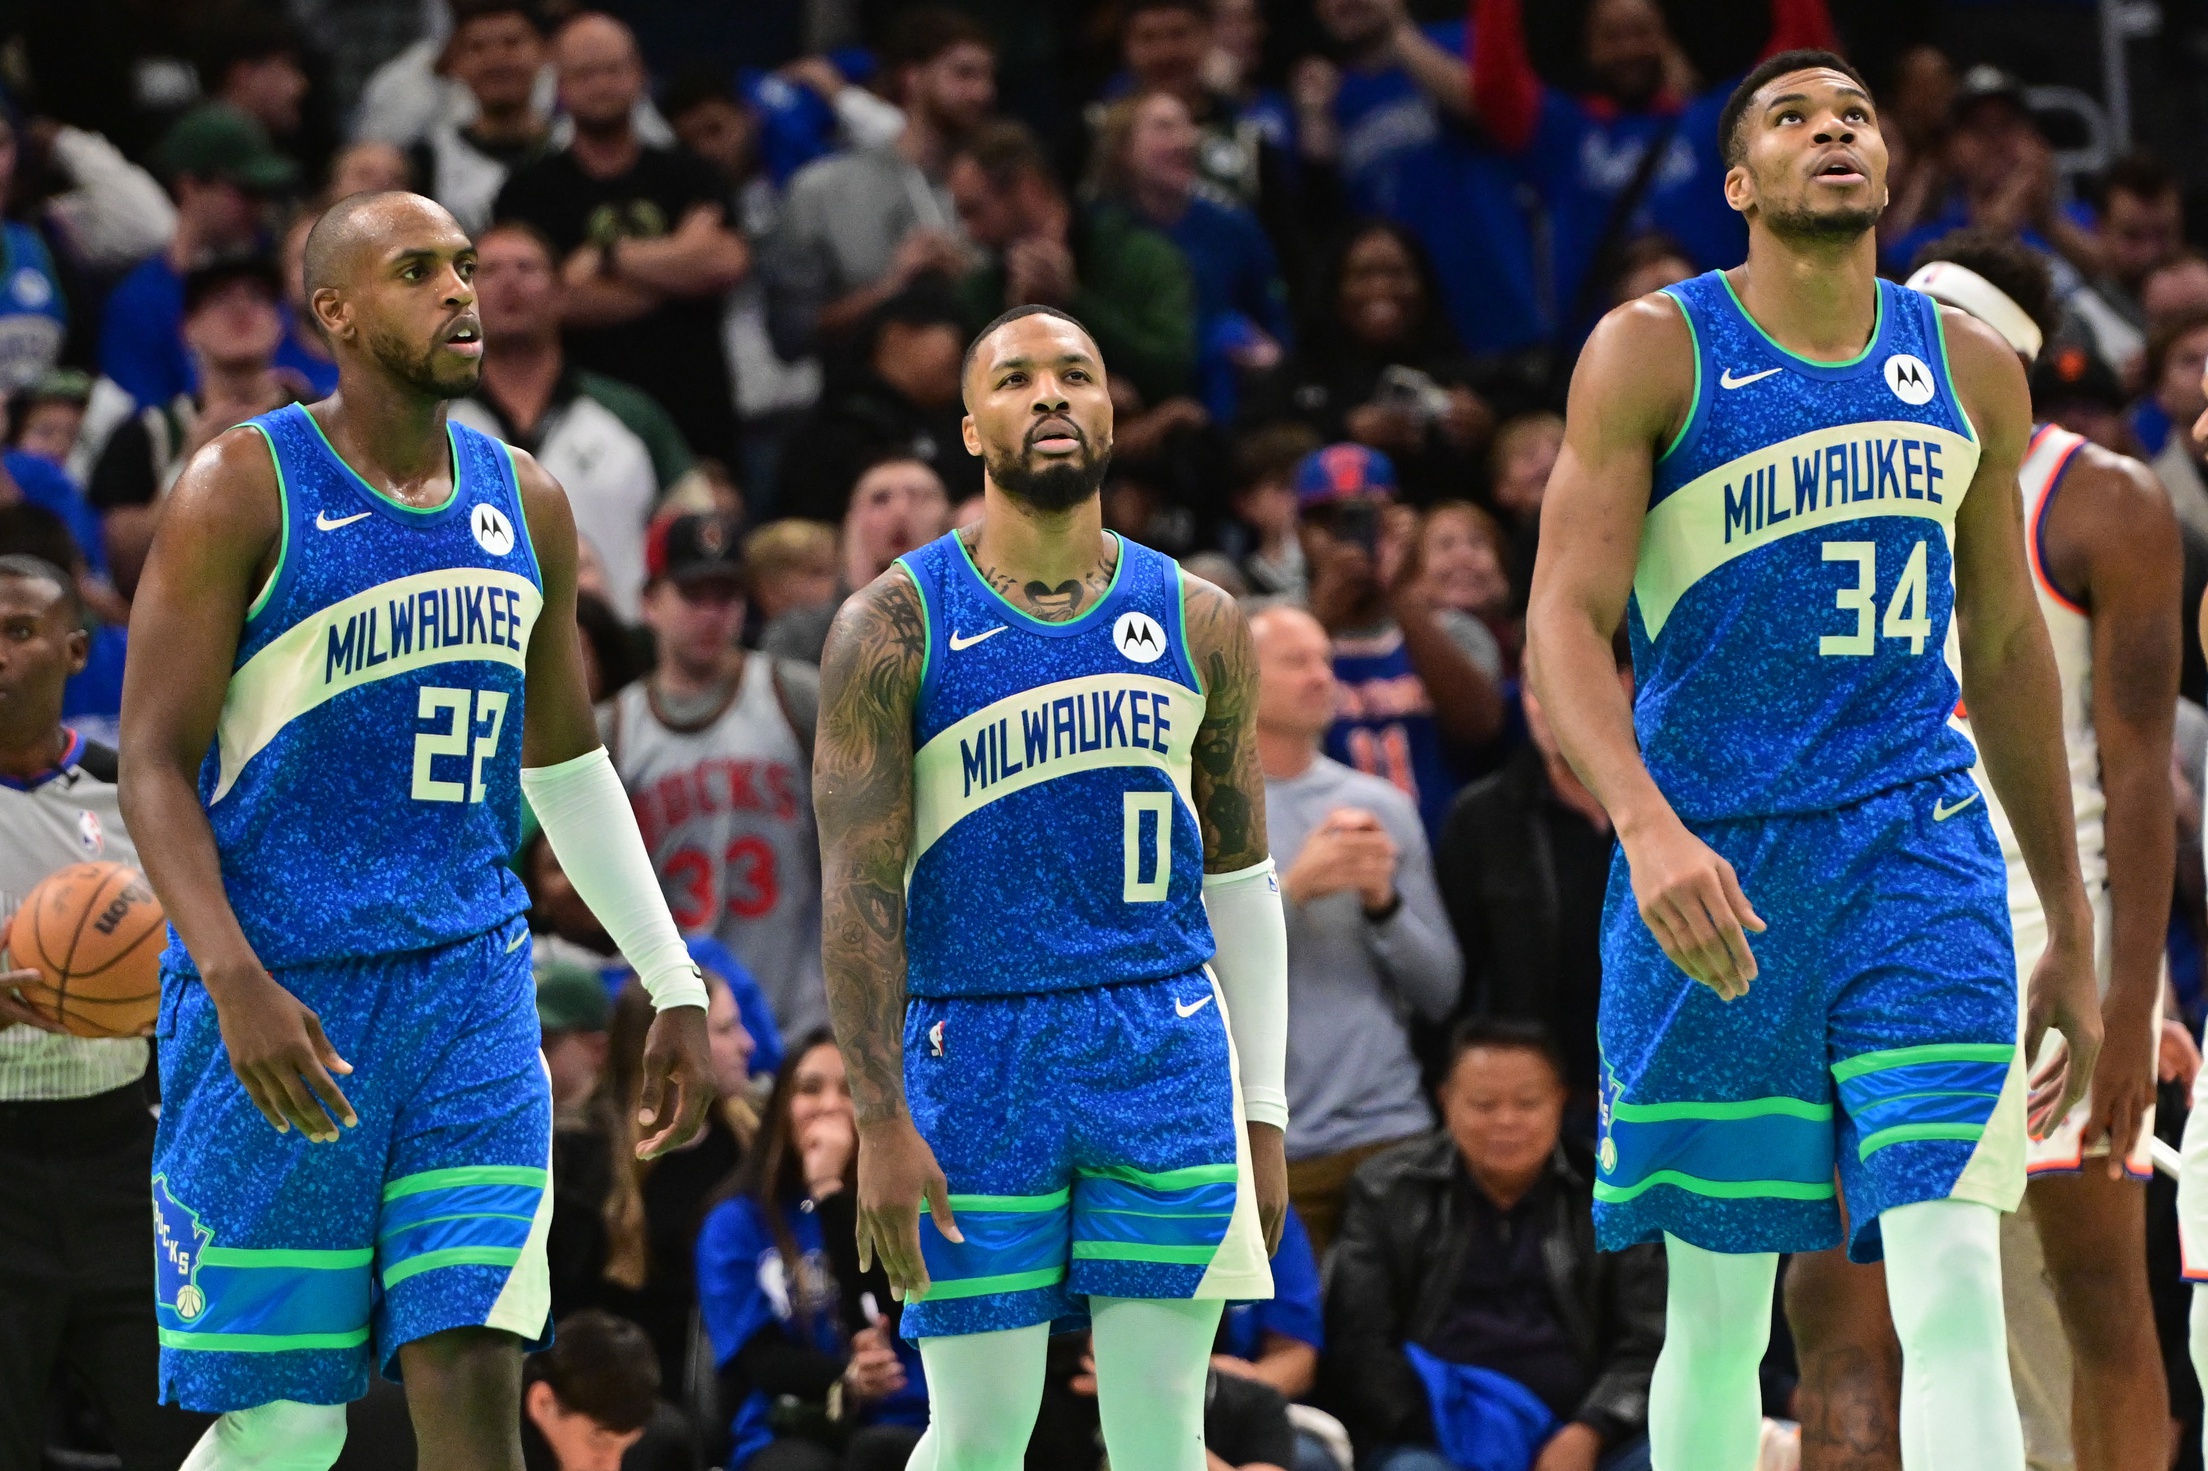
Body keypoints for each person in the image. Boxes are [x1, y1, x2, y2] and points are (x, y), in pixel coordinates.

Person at [1523, 51, 2104, 1471]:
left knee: (1953, 1270)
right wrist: (1648, 827)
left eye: (1854, 116)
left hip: (1918, 844)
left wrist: (2071, 925)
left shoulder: (1968, 367)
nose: (1831, 131)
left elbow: (2014, 655)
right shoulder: (1655, 348)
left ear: (1888, 169)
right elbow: (1561, 620)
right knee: (1720, 1308)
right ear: (1739, 184)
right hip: (1717, 860)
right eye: (1793, 118)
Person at [116, 190, 718, 1470]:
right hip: (285, 996)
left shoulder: (529, 501)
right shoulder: (240, 484)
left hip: (468, 988)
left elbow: (567, 763)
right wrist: (230, 975)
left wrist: (670, 975)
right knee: (288, 1422)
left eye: (463, 266)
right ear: (332, 310)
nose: (461, 292)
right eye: (416, 271)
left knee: (472, 1362)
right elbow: (154, 767)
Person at [812, 304, 1287, 1468]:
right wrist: (876, 1115)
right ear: (970, 427)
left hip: (1162, 1035)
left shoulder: (1202, 618)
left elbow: (1244, 874)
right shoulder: (891, 622)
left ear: (1114, 407)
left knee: (1163, 1433)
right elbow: (857, 894)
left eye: (1076, 372)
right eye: (1016, 379)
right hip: (971, 1046)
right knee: (978, 1432)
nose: (1051, 395)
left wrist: (1264, 1109)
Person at [1784, 234, 2178, 1471]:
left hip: (2046, 929)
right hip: (1858, 929)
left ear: (2015, 357)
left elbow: (2141, 779)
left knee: (2099, 1301)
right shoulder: (1820, 479)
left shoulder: (2100, 499)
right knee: (1843, 1310)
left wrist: (2128, 995)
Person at [0, 554, 211, 1471]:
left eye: (17, 631)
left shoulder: (139, 795)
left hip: (124, 1154)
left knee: (187, 1436)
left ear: (75, 650)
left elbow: (210, 961)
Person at [1327, 1020, 1663, 1471]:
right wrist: (1468, 1433)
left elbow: (1648, 1339)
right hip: (1437, 1436)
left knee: (1676, 1457)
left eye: (1527, 1103)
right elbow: (1360, 1342)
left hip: (1584, 1440)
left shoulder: (1608, 1194)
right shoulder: (1387, 1189)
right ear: (1445, 1101)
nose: (1506, 1120)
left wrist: (1590, 1429)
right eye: (1484, 1104)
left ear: (1560, 1101)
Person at [1250, 602, 1460, 1252]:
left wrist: (1383, 903)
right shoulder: (1202, 815)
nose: (1322, 676)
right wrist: (1293, 889)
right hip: (1268, 1142)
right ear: (1238, 680)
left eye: (1325, 659)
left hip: (1392, 1127)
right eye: (1296, 661)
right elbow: (1192, 982)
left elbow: (1442, 991)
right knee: (1297, 1350)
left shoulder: (1381, 807)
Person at [1467, 0, 1838, 336]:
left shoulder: (1716, 124)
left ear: (1667, 41)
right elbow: (1495, 84)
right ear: (1587, 47)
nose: (1629, 49)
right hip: (1598, 358)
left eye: (1641, 33)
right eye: (1612, 36)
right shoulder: (1562, 133)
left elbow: (1804, 63)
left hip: (1726, 348)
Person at [607, 513, 826, 1040]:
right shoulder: (613, 730)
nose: (711, 614)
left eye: (725, 596)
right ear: (649, 602)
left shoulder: (796, 697)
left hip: (802, 1018)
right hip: (679, 1027)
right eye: (693, 594)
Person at [494, 12, 748, 463]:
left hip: (699, 416)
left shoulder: (690, 173)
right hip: (577, 424)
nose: (602, 84)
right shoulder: (530, 189)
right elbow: (558, 301)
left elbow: (725, 265)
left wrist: (607, 256)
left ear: (640, 77)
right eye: (585, 73)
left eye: (614, 69)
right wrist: (676, 269)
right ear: (561, 87)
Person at [696, 1033, 927, 1471]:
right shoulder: (735, 1224)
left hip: (908, 1415)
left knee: (882, 1452)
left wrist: (830, 1192)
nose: (830, 1106)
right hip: (790, 1422)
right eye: (810, 1089)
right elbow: (757, 1358)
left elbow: (890, 1307)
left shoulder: (910, 1206)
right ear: (781, 1104)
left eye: (850, 1090)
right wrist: (848, 1379)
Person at [448, 220, 697, 619]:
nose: (509, 283)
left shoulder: (631, 416)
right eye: (488, 271)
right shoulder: (432, 421)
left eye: (527, 268)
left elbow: (693, 533)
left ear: (561, 293)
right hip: (476, 655)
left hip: (619, 650)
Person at [1435, 639, 1628, 1117]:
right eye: (1532, 686)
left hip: (1665, 1094)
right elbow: (1457, 984)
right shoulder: (1482, 818)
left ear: (1625, 685)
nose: (1545, 706)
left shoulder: (1686, 807)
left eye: (1563, 683)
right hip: (1539, 1110)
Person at [1297, 444, 1506, 838]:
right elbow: (1249, 734)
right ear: (1302, 535)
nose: (1349, 539)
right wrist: (1322, 612)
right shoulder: (1271, 629)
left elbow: (1482, 730)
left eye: (1363, 520)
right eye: (1331, 522)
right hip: (1323, 853)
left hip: (1442, 852)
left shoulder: (1452, 629)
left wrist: (1400, 593)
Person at [763, 7, 993, 359]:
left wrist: (974, 283)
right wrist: (895, 288)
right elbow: (790, 334)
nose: (983, 92)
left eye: (988, 77)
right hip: (862, 403)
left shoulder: (1000, 188)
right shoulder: (822, 190)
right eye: (964, 74)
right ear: (912, 77)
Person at [88, 255, 302, 601]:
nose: (241, 309)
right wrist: (189, 466)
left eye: (257, 297)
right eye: (219, 299)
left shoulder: (321, 415)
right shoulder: (145, 434)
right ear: (187, 328)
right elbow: (127, 571)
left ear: (280, 322)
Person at [947, 120, 1196, 409]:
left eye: (974, 211)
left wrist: (1074, 301)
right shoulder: (980, 289)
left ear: (1026, 186)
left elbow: (1172, 370)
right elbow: (968, 401)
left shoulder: (1139, 256)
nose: (971, 232)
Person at [99, 104, 329, 411]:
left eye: (264, 194)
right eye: (245, 192)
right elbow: (140, 420)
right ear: (190, 185)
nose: (258, 208)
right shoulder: (140, 302)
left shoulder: (277, 276)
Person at [1092, 90, 1291, 425]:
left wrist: (1275, 358)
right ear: (1124, 151)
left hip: (1224, 391)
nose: (1185, 141)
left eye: (1188, 128)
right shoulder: (1099, 233)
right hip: (1133, 392)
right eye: (1163, 128)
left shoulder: (1232, 225)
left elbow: (1272, 314)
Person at [1265, 222, 1489, 509]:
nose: (1381, 288)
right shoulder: (1297, 376)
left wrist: (1487, 434)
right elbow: (1255, 460)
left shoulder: (1465, 372)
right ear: (1335, 287)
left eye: (1397, 273)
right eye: (1362, 275)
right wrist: (1344, 435)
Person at [773, 286, 978, 523]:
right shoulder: (837, 429)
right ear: (899, 335)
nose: (965, 356)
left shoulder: (954, 421)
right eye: (959, 337)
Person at [760, 454, 950, 666]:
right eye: (880, 499)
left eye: (917, 497)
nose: (900, 512)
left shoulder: (975, 621)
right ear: (851, 518)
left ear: (949, 516)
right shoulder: (801, 634)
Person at [410, 0, 551, 238]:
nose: (496, 59)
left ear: (545, 52)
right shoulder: (429, 159)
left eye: (512, 43)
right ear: (454, 64)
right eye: (477, 47)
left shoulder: (574, 146)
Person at [520, 1309, 690, 1471]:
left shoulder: (666, 1443)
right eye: (599, 1442)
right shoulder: (496, 1451)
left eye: (626, 1447)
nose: (611, 1467)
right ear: (543, 1402)